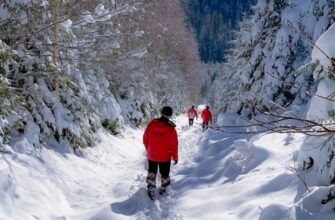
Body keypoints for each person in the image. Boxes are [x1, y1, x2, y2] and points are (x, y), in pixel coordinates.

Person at [143, 106, 178, 200]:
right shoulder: (171, 128)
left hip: (152, 155)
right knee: (165, 173)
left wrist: (149, 149)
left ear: (161, 113)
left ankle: (151, 188)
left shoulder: (151, 123)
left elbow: (145, 138)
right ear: (170, 115)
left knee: (152, 172)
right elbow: (174, 144)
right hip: (165, 156)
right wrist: (175, 157)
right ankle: (163, 188)